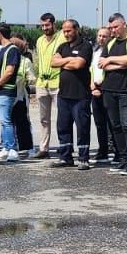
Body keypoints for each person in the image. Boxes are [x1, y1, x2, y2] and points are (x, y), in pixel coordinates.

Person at [96, 13, 127, 173]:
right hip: (109, 89)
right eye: (110, 28)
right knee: (115, 126)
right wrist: (116, 63)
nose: (112, 30)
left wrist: (111, 60)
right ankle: (122, 158)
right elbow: (102, 64)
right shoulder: (110, 43)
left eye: (115, 27)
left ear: (123, 24)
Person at [51, 18, 94, 169]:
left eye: (69, 31)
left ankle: (83, 158)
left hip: (80, 95)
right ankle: (65, 157)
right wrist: (69, 59)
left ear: (76, 29)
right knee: (63, 126)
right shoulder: (62, 46)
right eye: (64, 31)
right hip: (64, 95)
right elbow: (53, 62)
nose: (66, 34)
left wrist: (64, 61)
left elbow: (79, 64)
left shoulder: (86, 46)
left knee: (82, 127)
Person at [0, 24, 24, 162]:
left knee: (6, 120)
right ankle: (6, 147)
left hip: (6, 91)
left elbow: (9, 72)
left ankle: (12, 149)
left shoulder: (12, 50)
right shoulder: (2, 50)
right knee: (3, 120)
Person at [32, 12, 60, 159]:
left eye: (47, 25)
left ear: (54, 24)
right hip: (42, 83)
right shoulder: (39, 40)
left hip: (57, 82)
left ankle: (65, 145)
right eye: (42, 25)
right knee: (43, 119)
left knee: (63, 117)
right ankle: (44, 148)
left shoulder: (61, 37)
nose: (44, 28)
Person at [8, 32, 36, 165]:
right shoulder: (5, 60)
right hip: (7, 96)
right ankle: (9, 146)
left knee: (23, 122)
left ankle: (28, 147)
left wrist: (27, 81)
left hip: (20, 96)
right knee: (8, 122)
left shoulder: (25, 61)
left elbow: (31, 78)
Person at [88, 25, 112, 164]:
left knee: (111, 122)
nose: (101, 38)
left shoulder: (111, 52)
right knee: (99, 123)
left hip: (106, 89)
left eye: (104, 36)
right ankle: (102, 150)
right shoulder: (95, 51)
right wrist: (92, 85)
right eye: (100, 36)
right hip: (94, 90)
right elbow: (91, 69)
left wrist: (100, 86)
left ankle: (113, 149)